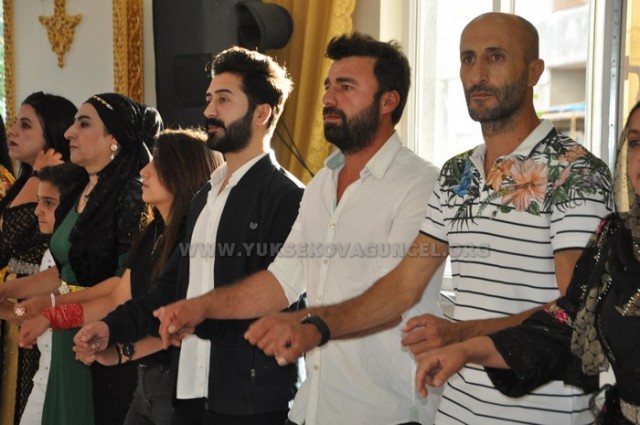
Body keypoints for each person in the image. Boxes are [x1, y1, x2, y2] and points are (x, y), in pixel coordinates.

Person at [157, 14, 615, 425]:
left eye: (495, 57)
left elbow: (577, 310)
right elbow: (399, 286)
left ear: (534, 71)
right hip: (453, 407)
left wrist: (461, 334)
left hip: (537, 410)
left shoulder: (575, 172)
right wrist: (205, 307)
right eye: (467, 59)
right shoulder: (458, 174)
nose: (478, 73)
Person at [130, 32, 445, 425]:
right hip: (314, 406)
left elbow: (398, 293)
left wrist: (312, 326)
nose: (328, 98)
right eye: (328, 86)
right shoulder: (321, 186)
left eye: (346, 87)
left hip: (387, 408)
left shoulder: (422, 183)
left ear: (388, 101)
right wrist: (200, 307)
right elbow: (281, 281)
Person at [75, 47, 304, 425]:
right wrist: (110, 329)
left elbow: (279, 296)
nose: (209, 111)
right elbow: (169, 291)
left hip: (252, 401)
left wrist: (198, 313)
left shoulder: (288, 197)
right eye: (209, 99)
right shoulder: (205, 195)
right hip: (191, 392)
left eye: (224, 100)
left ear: (261, 113)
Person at [415, 99, 640, 425]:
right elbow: (567, 322)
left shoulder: (576, 171)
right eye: (636, 142)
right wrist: (467, 348)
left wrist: (463, 336)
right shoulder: (618, 241)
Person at [17, 128, 223, 425]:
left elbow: (177, 325)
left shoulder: (194, 242)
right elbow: (116, 298)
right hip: (144, 378)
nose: (144, 171)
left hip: (180, 386)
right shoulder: (152, 232)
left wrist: (118, 349)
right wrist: (53, 316)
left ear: (182, 172)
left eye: (157, 164)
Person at [1, 92, 163, 425]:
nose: (69, 133)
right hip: (64, 330)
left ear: (114, 139)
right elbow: (62, 273)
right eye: (73, 123)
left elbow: (123, 285)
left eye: (84, 124)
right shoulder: (78, 189)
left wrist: (53, 309)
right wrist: (5, 292)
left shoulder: (131, 193)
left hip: (100, 335)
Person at [0, 91, 76, 425]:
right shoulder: (22, 181)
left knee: (28, 391)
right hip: (18, 298)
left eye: (26, 125)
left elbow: (6, 242)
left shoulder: (59, 184)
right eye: (15, 122)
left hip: (40, 299)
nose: (13, 130)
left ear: (52, 136)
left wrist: (37, 177)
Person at [18, 162, 85, 425]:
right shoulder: (50, 253)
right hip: (44, 377)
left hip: (68, 378)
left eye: (49, 203)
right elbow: (26, 312)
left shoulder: (80, 256)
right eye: (38, 201)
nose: (37, 211)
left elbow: (58, 297)